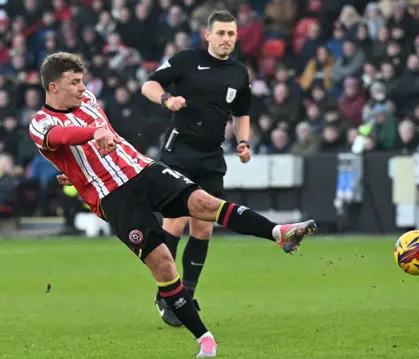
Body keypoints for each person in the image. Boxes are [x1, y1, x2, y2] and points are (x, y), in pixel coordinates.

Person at [29, 52, 317, 357]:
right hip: (115, 198)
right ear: (53, 88)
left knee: (205, 203)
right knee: (163, 263)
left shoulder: (86, 97)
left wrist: (79, 165)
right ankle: (205, 340)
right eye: (73, 82)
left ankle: (278, 233)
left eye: (81, 80)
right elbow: (61, 135)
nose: (81, 87)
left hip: (144, 170)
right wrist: (91, 139)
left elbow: (91, 140)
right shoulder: (40, 122)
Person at [141, 10, 253, 327]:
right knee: (175, 223)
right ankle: (167, 294)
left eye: (231, 34)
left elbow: (242, 113)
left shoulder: (239, 73)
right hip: (180, 152)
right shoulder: (185, 60)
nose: (226, 39)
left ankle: (187, 294)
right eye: (220, 33)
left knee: (203, 227)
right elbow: (147, 85)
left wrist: (243, 143)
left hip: (211, 156)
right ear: (208, 35)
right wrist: (166, 99)